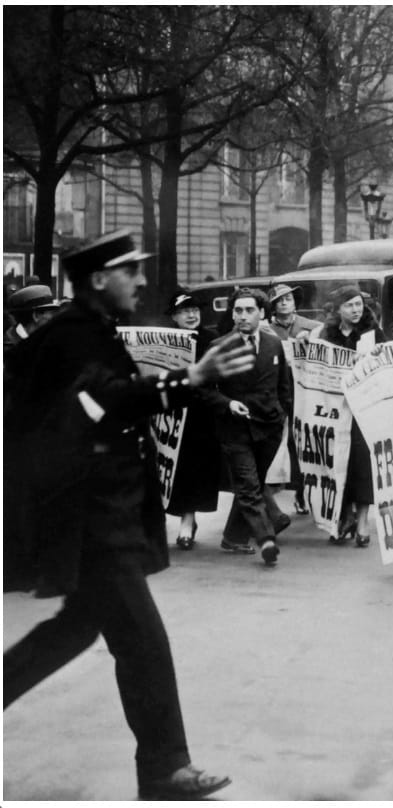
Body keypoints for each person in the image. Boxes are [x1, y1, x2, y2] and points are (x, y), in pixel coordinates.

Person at [3, 230, 248, 799]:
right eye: (129, 271)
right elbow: (103, 402)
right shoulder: (71, 338)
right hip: (88, 520)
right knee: (142, 639)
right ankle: (165, 767)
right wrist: (186, 378)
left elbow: (109, 398)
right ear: (96, 279)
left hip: (96, 516)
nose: (140, 281)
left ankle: (164, 766)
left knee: (74, 630)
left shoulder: (88, 332)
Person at [198, 287, 293, 566]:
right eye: (237, 310)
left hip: (269, 427)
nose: (242, 316)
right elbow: (203, 389)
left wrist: (282, 414)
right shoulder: (219, 347)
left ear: (262, 313)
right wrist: (227, 403)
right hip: (234, 427)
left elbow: (283, 385)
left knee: (253, 484)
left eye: (249, 310)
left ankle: (233, 537)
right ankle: (266, 540)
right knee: (249, 485)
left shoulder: (273, 344)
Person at [311, 285, 385, 547]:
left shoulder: (373, 333)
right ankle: (343, 517)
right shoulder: (327, 334)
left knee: (362, 465)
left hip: (363, 409)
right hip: (336, 408)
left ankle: (363, 521)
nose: (356, 310)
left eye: (359, 304)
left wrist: (377, 359)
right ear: (338, 309)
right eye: (349, 305)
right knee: (338, 462)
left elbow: (385, 368)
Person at [163, 291, 223, 550]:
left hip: (203, 416)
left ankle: (189, 520)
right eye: (185, 311)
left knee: (196, 469)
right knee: (173, 469)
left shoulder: (211, 340)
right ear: (174, 316)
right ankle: (180, 520)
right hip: (173, 416)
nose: (192, 315)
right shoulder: (166, 341)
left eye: (195, 310)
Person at [264, 283, 321, 515]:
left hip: (305, 392)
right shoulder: (266, 331)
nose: (285, 302)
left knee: (306, 442)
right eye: (279, 300)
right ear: (273, 306)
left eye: (288, 298)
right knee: (280, 444)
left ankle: (302, 491)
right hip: (278, 393)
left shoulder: (313, 327)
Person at [4, 284, 60, 355]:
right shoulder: (10, 347)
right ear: (36, 316)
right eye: (50, 314)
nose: (53, 319)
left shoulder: (37, 342)